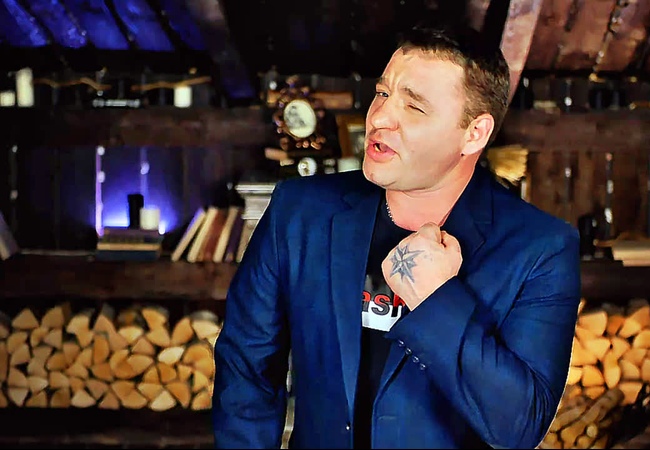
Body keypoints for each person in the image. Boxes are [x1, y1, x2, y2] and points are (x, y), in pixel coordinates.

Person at [212, 21, 581, 449]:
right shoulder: (298, 212)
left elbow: (519, 427)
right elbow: (246, 371)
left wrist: (436, 299)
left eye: (415, 107)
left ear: (473, 133)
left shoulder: (541, 248)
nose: (379, 117)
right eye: (383, 93)